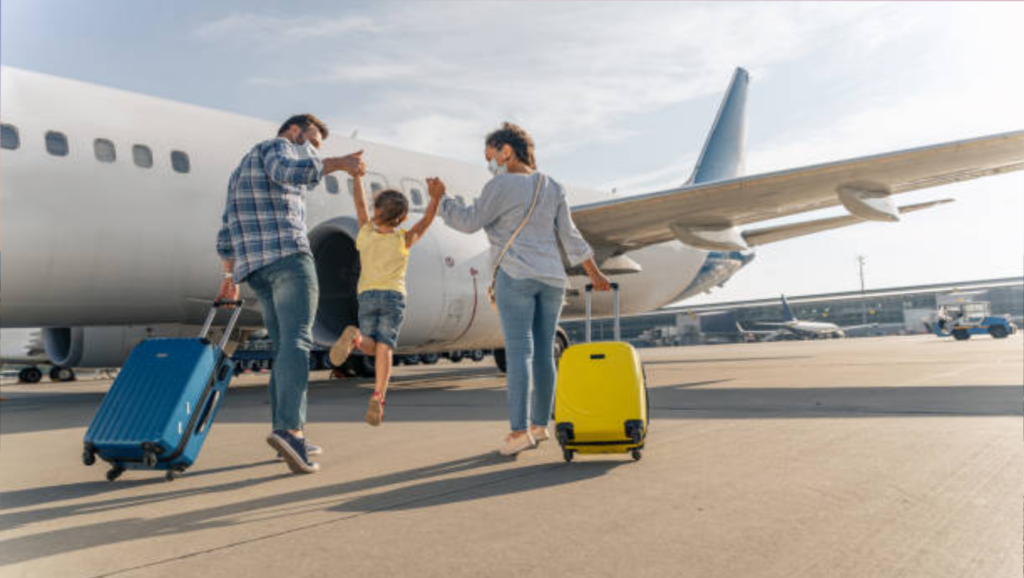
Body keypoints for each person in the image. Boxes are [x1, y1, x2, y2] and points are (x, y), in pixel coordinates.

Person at [429, 122, 611, 456]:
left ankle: (517, 432)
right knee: (544, 355)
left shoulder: (499, 186)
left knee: (519, 354)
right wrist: (595, 274)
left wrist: (442, 201)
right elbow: (571, 237)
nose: (490, 164)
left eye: (491, 156)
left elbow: (469, 222)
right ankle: (539, 427)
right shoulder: (552, 186)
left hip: (516, 277)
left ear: (506, 151)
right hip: (553, 279)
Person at [216, 114, 365, 474]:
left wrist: (228, 275)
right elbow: (290, 171)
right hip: (287, 258)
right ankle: (290, 430)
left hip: (256, 270)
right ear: (296, 131)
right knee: (298, 344)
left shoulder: (240, 171)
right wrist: (340, 164)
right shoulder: (279, 147)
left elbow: (225, 229)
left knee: (285, 350)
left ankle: (285, 430)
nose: (314, 150)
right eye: (312, 141)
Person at [328, 175, 441, 426]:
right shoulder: (403, 240)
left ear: (376, 210)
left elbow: (359, 204)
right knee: (384, 347)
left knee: (369, 344)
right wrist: (435, 197)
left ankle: (355, 337)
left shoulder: (365, 233)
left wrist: (357, 177)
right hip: (393, 296)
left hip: (367, 295)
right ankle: (379, 395)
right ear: (401, 218)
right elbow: (427, 220)